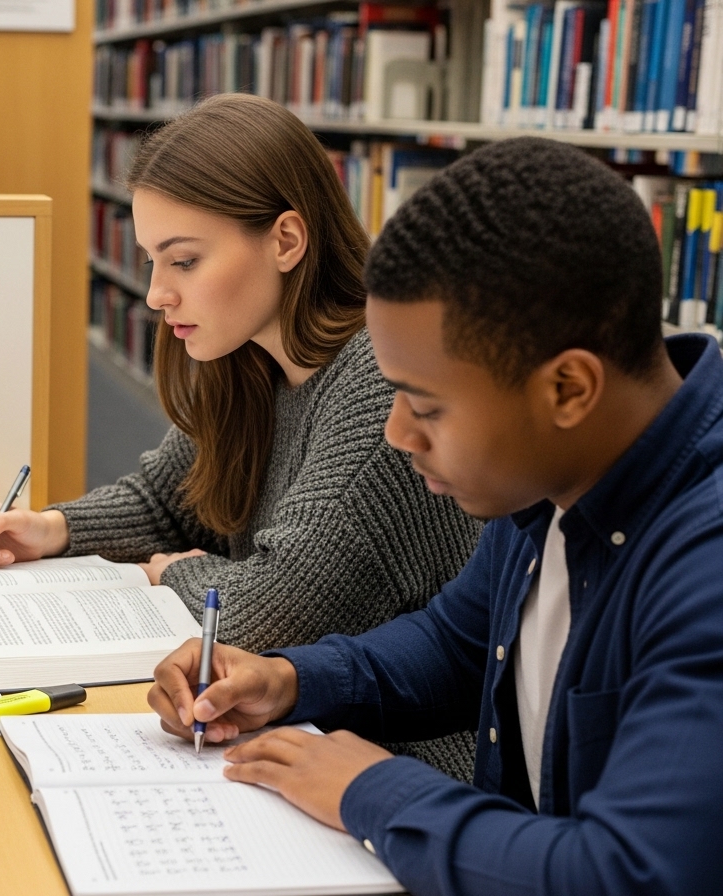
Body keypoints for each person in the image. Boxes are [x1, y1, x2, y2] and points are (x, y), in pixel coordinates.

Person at [147, 136, 723, 895]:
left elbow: (629, 874)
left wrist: (372, 790)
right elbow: (457, 643)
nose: (397, 434)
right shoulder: (549, 478)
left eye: (427, 406)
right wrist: (286, 680)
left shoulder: (703, 561)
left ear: (568, 390)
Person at [0, 94, 481, 774]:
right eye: (151, 261)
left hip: (407, 759)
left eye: (184, 261)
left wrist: (172, 572)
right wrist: (50, 528)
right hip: (299, 732)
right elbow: (168, 498)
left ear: (286, 241)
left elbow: (270, 611)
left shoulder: (377, 388)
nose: (155, 294)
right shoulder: (252, 359)